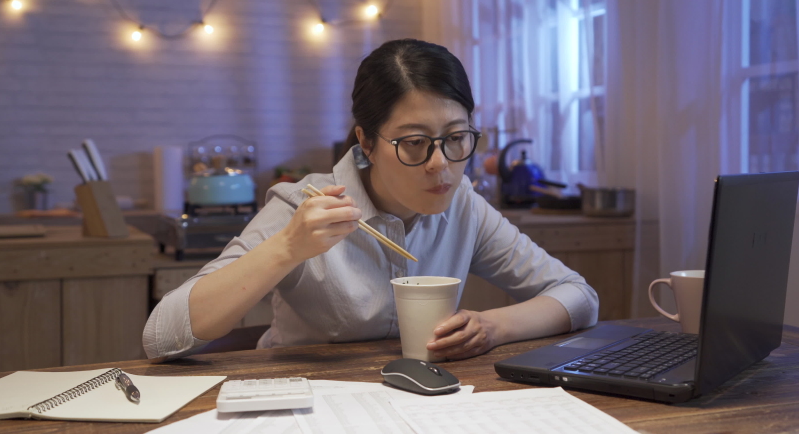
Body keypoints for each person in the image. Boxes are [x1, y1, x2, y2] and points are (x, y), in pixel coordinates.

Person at [143, 39, 599, 361]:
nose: (441, 165)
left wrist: (494, 327)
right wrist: (286, 248)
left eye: (457, 138)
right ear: (366, 141)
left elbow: (578, 296)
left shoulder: (464, 205)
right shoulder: (306, 205)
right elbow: (161, 337)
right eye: (415, 142)